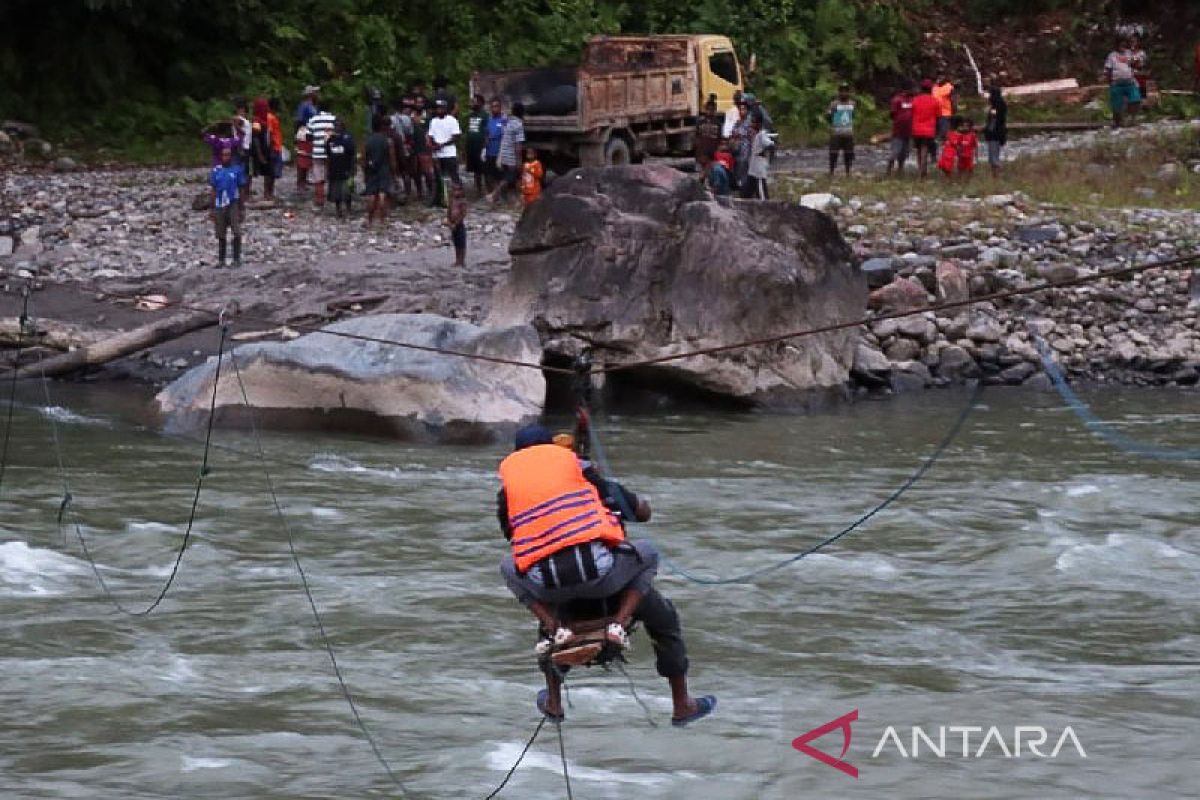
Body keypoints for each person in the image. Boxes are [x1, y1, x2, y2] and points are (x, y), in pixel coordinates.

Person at [496, 424, 717, 726]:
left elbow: (514, 537)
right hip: (608, 582)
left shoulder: (510, 493)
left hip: (554, 590)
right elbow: (642, 513)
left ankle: (554, 699)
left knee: (542, 618)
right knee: (664, 619)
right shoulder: (587, 476)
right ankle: (681, 703)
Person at [209, 146, 246, 268]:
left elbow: (241, 189)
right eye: (224, 155)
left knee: (236, 231)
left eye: (228, 154)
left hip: (233, 203)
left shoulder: (237, 170)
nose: (226, 157)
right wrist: (212, 208)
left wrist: (242, 207)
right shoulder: (216, 171)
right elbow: (213, 190)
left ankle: (236, 258)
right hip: (220, 204)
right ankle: (221, 259)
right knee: (220, 233)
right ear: (221, 157)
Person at [489, 101, 525, 205]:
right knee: (509, 178)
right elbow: (518, 145)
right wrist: (519, 160)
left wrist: (500, 156)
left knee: (509, 178)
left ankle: (511, 199)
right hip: (511, 156)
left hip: (504, 153)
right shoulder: (518, 124)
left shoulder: (507, 122)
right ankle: (494, 195)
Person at [364, 114, 396, 227]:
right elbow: (392, 157)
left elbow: (364, 157)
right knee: (383, 194)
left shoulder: (368, 140)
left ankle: (369, 219)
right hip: (384, 169)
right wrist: (394, 171)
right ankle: (383, 219)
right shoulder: (387, 141)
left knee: (371, 195)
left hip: (371, 169)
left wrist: (365, 171)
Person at [428, 99, 461, 207]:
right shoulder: (433, 121)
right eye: (438, 108)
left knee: (453, 176)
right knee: (438, 177)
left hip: (449, 152)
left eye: (441, 108)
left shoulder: (452, 120)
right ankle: (439, 199)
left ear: (446, 108)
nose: (439, 110)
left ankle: (458, 199)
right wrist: (432, 145)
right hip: (437, 153)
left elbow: (456, 136)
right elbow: (431, 135)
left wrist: (442, 144)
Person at [1105, 36, 1142, 129]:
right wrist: (1110, 82)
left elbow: (1136, 64)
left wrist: (1137, 62)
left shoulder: (1129, 53)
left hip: (1129, 82)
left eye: (1124, 43)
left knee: (1136, 99)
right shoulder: (1112, 55)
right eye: (1121, 43)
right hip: (1117, 83)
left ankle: (1132, 119)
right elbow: (1108, 69)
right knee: (1117, 104)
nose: (1123, 45)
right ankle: (1117, 122)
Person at [306, 103, 337, 207]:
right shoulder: (334, 119)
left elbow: (308, 137)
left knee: (318, 176)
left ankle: (319, 199)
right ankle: (332, 196)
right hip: (331, 152)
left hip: (317, 152)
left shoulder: (313, 120)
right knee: (331, 174)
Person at [325, 119, 356, 219]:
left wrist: (352, 168)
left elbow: (352, 153)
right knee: (335, 191)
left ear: (343, 128)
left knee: (347, 191)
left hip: (346, 168)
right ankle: (338, 210)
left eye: (339, 126)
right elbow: (328, 153)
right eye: (336, 126)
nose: (337, 128)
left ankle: (348, 209)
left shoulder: (347, 139)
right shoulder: (330, 140)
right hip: (334, 169)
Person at [911, 79, 940, 179]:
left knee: (919, 150)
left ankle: (921, 169)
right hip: (929, 130)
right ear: (930, 89)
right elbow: (938, 115)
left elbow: (911, 113)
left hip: (916, 129)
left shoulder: (915, 100)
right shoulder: (935, 101)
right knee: (925, 149)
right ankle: (923, 171)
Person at [828, 83, 856, 177]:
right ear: (839, 92)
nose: (844, 93)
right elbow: (828, 115)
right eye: (842, 91)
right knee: (833, 153)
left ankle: (848, 172)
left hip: (848, 132)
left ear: (848, 92)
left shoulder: (852, 103)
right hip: (836, 132)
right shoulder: (834, 104)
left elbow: (853, 115)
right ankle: (831, 171)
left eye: (846, 91)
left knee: (848, 153)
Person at [887, 84, 914, 177]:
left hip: (909, 131)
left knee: (904, 152)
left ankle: (900, 170)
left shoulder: (912, 100)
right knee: (895, 151)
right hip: (898, 131)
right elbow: (892, 114)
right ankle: (889, 170)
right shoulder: (897, 100)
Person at [465, 93, 489, 197]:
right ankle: (478, 190)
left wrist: (485, 146)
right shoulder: (471, 115)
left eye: (474, 101)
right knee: (475, 170)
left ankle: (488, 190)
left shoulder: (485, 116)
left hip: (480, 146)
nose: (472, 103)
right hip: (471, 146)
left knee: (484, 169)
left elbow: (487, 132)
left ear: (480, 103)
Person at [744, 113, 772, 199]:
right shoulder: (755, 135)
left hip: (759, 170)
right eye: (752, 122)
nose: (752, 124)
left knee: (761, 192)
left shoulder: (762, 135)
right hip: (753, 169)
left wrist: (763, 152)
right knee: (746, 192)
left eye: (754, 122)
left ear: (759, 124)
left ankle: (766, 207)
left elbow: (770, 145)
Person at [250, 98, 274, 201]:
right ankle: (247, 194)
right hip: (258, 150)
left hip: (267, 148)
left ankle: (267, 193)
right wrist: (259, 154)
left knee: (269, 172)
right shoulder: (256, 121)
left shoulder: (267, 120)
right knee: (251, 172)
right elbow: (255, 138)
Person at [410, 106, 436, 202]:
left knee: (427, 172)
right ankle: (419, 192)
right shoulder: (411, 118)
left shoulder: (428, 119)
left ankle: (430, 192)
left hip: (425, 148)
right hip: (414, 148)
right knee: (416, 172)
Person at [983, 85, 1008, 179]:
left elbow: (993, 120)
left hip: (994, 134)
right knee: (995, 155)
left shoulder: (996, 106)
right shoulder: (1002, 104)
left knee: (993, 157)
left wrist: (987, 130)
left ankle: (996, 176)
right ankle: (995, 175)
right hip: (999, 133)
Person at [729, 98, 753, 191]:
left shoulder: (750, 123)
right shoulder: (737, 123)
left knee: (745, 173)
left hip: (746, 152)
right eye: (740, 109)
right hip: (737, 152)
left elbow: (751, 136)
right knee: (737, 172)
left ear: (747, 110)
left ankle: (745, 190)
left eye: (743, 109)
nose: (741, 111)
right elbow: (732, 133)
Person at [266, 98, 285, 200]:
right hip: (273, 147)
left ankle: (270, 193)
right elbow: (269, 133)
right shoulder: (270, 117)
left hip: (276, 146)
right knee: (270, 171)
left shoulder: (273, 117)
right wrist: (270, 147)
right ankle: (268, 193)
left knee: (273, 172)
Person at [694, 96, 723, 162]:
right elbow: (696, 137)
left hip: (713, 154)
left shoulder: (717, 123)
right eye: (708, 109)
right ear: (705, 109)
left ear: (714, 110)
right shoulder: (700, 122)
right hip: (701, 153)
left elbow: (719, 138)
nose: (710, 111)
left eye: (712, 109)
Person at [447, 184, 468, 267]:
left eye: (458, 190)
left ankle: (462, 260)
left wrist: (456, 224)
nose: (456, 192)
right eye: (455, 190)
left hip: (459, 226)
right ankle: (457, 260)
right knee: (456, 243)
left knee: (461, 244)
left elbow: (463, 214)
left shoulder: (462, 202)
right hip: (452, 225)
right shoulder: (452, 201)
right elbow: (449, 211)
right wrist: (448, 221)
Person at [932, 75, 956, 144]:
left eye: (941, 78)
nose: (939, 79)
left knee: (945, 131)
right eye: (938, 78)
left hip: (945, 113)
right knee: (936, 132)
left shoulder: (949, 87)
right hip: (935, 113)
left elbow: (953, 99)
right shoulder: (934, 87)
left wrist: (954, 109)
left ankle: (946, 146)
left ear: (945, 80)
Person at [1129, 35, 1149, 103]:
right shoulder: (1128, 53)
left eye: (1134, 41)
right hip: (1130, 74)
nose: (1132, 43)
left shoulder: (1142, 53)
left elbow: (1142, 64)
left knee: (1142, 89)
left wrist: (1135, 62)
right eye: (1131, 41)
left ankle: (1143, 104)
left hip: (1139, 74)